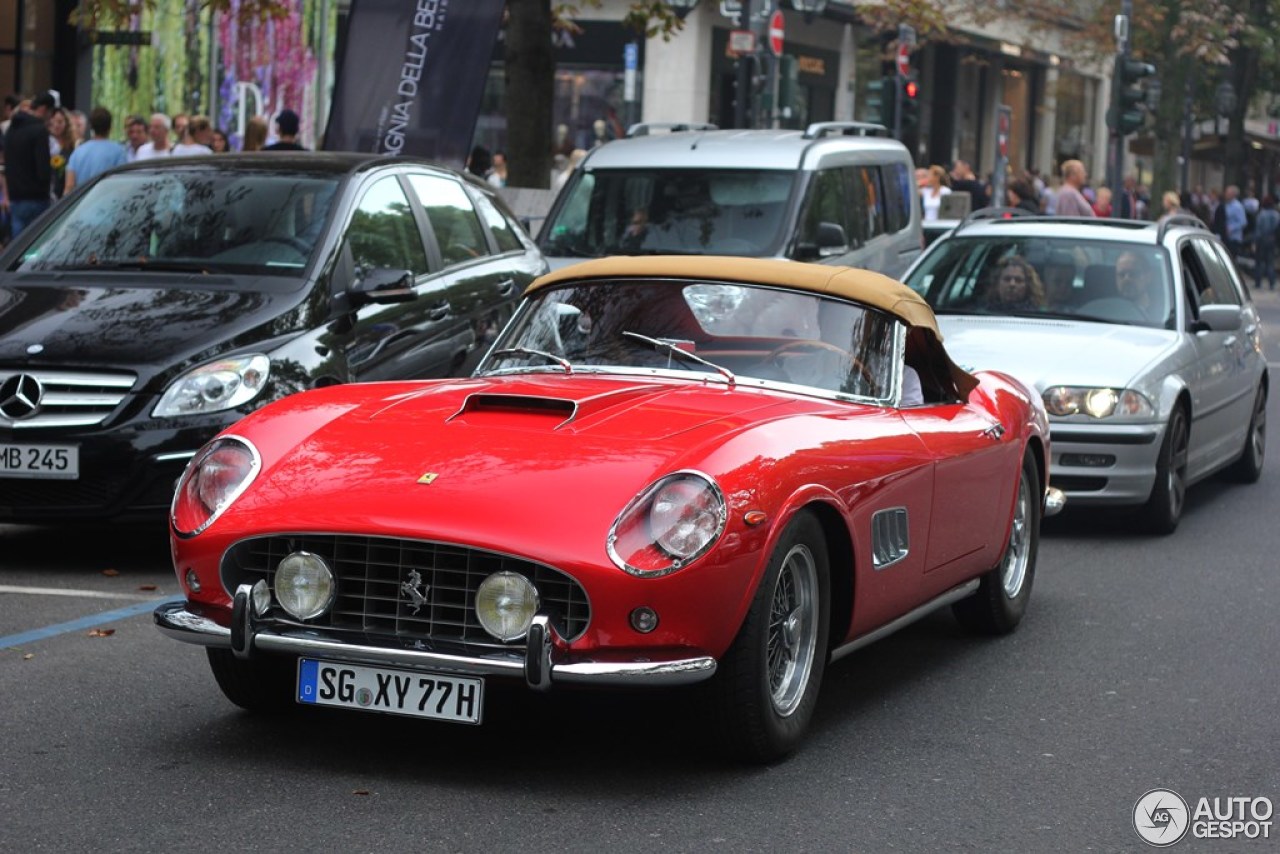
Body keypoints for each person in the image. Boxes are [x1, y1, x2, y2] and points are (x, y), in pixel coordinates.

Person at [2, 91, 57, 237]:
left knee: (18, 245)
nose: (50, 119)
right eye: (50, 114)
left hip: (15, 197)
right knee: (37, 243)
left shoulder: (11, 129)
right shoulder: (39, 130)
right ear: (44, 109)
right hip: (36, 198)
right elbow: (43, 169)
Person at [63, 106, 126, 194]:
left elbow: (69, 186)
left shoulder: (78, 152)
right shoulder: (119, 151)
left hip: (82, 204)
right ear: (110, 127)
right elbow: (122, 184)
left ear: (91, 126)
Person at [1115, 249, 1165, 321]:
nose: (1126, 279)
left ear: (1148, 277)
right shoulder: (1105, 311)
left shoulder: (1162, 314)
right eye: (1121, 274)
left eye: (1133, 274)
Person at [48, 106, 77, 200]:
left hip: (65, 193)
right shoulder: (45, 143)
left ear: (66, 123)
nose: (56, 125)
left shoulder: (72, 146)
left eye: (60, 122)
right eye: (53, 122)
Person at [1252, 195, 1279, 291]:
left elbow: (1258, 229)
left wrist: (1255, 241)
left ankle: (1258, 282)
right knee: (1270, 262)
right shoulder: (1276, 215)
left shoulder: (1261, 215)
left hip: (1262, 240)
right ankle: (1271, 282)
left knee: (1259, 262)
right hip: (1272, 240)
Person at [1221, 185, 1247, 260]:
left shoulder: (1238, 206)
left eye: (1227, 193)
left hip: (1234, 238)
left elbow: (1243, 222)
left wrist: (1231, 228)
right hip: (1225, 237)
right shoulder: (1225, 205)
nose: (1225, 195)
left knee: (1231, 259)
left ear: (1233, 195)